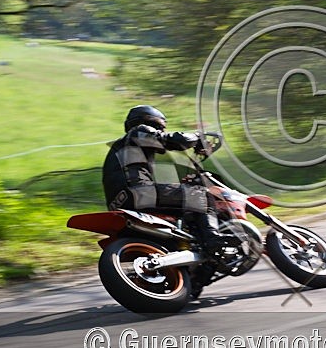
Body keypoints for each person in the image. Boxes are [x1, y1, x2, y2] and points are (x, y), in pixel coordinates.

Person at [102, 105, 239, 254]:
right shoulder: (140, 131)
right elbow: (173, 140)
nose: (161, 131)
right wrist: (197, 137)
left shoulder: (123, 148)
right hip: (138, 192)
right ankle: (213, 239)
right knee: (201, 195)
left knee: (183, 202)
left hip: (119, 203)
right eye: (160, 128)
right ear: (153, 123)